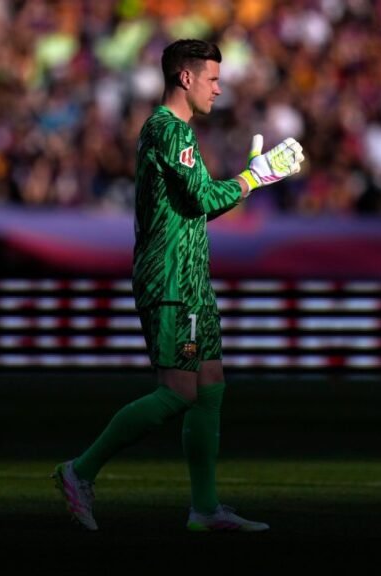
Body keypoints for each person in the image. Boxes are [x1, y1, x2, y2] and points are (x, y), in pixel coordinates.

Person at [52, 39, 304, 533]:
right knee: (179, 392)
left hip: (191, 279)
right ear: (185, 78)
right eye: (212, 78)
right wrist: (257, 177)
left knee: (209, 385)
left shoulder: (177, 133)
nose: (219, 87)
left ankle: (205, 510)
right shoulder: (168, 131)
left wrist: (252, 178)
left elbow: (197, 203)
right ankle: (78, 472)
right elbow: (206, 199)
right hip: (170, 280)